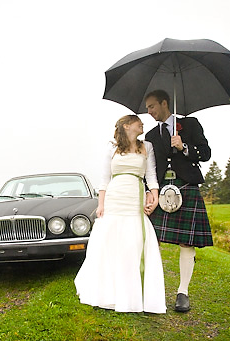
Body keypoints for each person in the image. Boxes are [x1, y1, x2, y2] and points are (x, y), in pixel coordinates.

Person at [74, 114, 166, 314]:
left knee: (133, 241)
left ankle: (133, 292)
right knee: (111, 240)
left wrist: (155, 196)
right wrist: (101, 204)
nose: (142, 123)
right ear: (126, 126)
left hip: (135, 196)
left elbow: (151, 175)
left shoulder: (146, 147)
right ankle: (110, 290)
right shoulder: (112, 148)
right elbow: (105, 179)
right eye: (137, 121)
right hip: (115, 196)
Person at [143, 89, 213, 313]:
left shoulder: (190, 124)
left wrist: (184, 147)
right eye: (147, 108)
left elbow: (206, 152)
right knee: (152, 238)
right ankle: (151, 288)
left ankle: (183, 292)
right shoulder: (152, 136)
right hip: (162, 188)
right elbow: (150, 167)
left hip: (186, 186)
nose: (150, 111)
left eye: (152, 106)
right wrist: (149, 191)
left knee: (187, 241)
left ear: (165, 103)